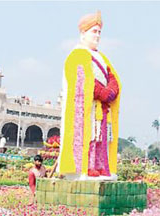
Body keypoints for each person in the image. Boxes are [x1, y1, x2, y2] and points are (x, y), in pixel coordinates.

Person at [56, 11, 121, 179]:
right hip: (87, 108)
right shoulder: (77, 54)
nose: (97, 35)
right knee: (89, 136)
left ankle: (100, 167)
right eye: (94, 31)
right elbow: (82, 79)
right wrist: (103, 92)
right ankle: (85, 167)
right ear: (83, 33)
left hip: (102, 108)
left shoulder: (102, 58)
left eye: (99, 32)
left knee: (101, 138)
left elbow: (113, 78)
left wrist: (111, 92)